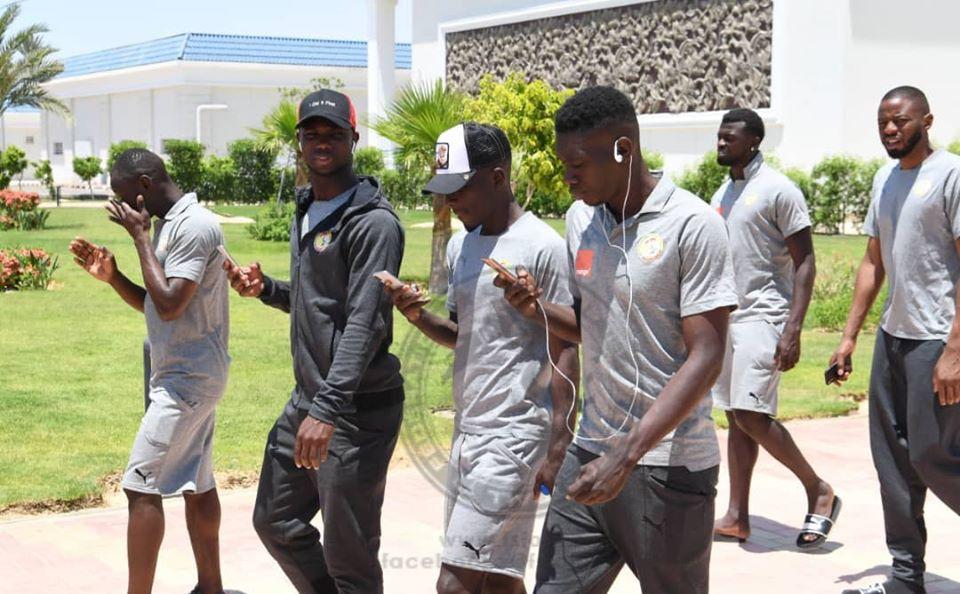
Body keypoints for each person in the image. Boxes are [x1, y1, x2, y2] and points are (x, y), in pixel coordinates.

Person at [498, 85, 737, 593]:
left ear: (623, 149)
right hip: (591, 452)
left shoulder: (692, 225)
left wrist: (625, 456)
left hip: (667, 471)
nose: (568, 176)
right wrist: (536, 308)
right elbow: (591, 325)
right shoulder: (582, 220)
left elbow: (708, 354)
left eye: (577, 163)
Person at [385, 122, 580, 594]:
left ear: (497, 178)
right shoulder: (461, 245)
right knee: (498, 578)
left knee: (453, 582)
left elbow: (571, 340)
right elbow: (461, 335)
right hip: (467, 433)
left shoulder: (543, 247)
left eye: (460, 189)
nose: (450, 202)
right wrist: (417, 316)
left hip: (516, 436)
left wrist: (558, 446)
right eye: (443, 191)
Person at [223, 89, 405, 594]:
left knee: (350, 556)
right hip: (309, 400)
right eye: (311, 133)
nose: (321, 142)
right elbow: (322, 303)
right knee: (274, 521)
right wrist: (268, 290)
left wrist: (325, 412)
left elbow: (365, 323)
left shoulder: (373, 222)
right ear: (299, 141)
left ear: (354, 139)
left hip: (354, 411)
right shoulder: (308, 207)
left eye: (333, 134)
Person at [69, 148, 229, 594]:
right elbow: (156, 306)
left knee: (141, 485)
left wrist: (140, 239)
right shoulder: (171, 225)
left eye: (122, 198)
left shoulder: (194, 226)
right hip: (188, 373)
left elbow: (170, 304)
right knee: (198, 481)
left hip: (188, 380)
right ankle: (210, 587)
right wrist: (113, 277)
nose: (120, 210)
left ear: (143, 185)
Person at [831, 86, 960, 594]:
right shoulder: (884, 179)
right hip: (893, 338)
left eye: (900, 121)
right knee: (892, 462)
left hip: (936, 340)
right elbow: (872, 262)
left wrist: (955, 348)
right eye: (883, 122)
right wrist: (848, 338)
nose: (890, 129)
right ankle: (906, 579)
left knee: (931, 455)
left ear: (925, 120)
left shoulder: (951, 174)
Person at [709, 108, 840, 547]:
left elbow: (805, 262)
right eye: (719, 136)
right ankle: (737, 516)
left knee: (751, 413)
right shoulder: (723, 192)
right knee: (734, 414)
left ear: (753, 142)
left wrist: (794, 329)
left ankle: (817, 488)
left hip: (766, 317)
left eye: (730, 138)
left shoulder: (779, 190)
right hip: (728, 318)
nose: (721, 143)